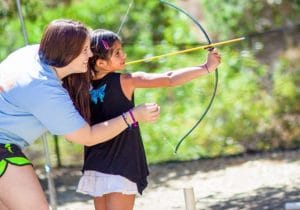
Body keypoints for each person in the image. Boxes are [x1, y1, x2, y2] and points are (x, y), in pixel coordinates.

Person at [0, 19, 160, 210]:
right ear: (68, 53)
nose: (91, 54)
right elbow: (88, 136)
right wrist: (133, 115)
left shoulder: (32, 53)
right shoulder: (44, 89)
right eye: (85, 50)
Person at [76, 29, 221, 210]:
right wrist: (206, 67)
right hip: (121, 164)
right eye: (117, 53)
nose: (124, 55)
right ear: (101, 63)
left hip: (96, 165)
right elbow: (168, 79)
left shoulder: (82, 87)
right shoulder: (125, 80)